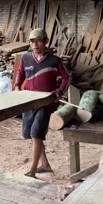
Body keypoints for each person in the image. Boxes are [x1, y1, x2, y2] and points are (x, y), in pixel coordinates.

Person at [14, 28, 70, 178]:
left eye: (38, 40)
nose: (35, 44)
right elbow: (20, 73)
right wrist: (17, 86)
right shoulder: (25, 57)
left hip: (46, 103)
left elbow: (67, 77)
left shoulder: (54, 60)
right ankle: (45, 164)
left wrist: (60, 91)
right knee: (31, 135)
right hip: (28, 102)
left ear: (46, 41)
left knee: (36, 134)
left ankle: (32, 170)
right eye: (32, 41)